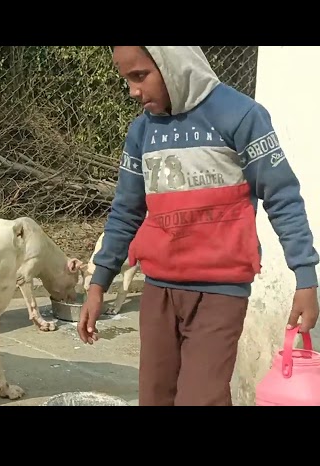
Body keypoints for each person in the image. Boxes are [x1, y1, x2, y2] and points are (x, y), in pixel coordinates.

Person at [77, 46, 319, 406]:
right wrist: (99, 283)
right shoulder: (142, 132)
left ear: (172, 63)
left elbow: (282, 196)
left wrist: (305, 276)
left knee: (201, 398)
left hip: (220, 294)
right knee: (155, 397)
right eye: (126, 79)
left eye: (140, 76)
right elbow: (126, 211)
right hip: (158, 292)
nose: (132, 90)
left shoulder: (240, 116)